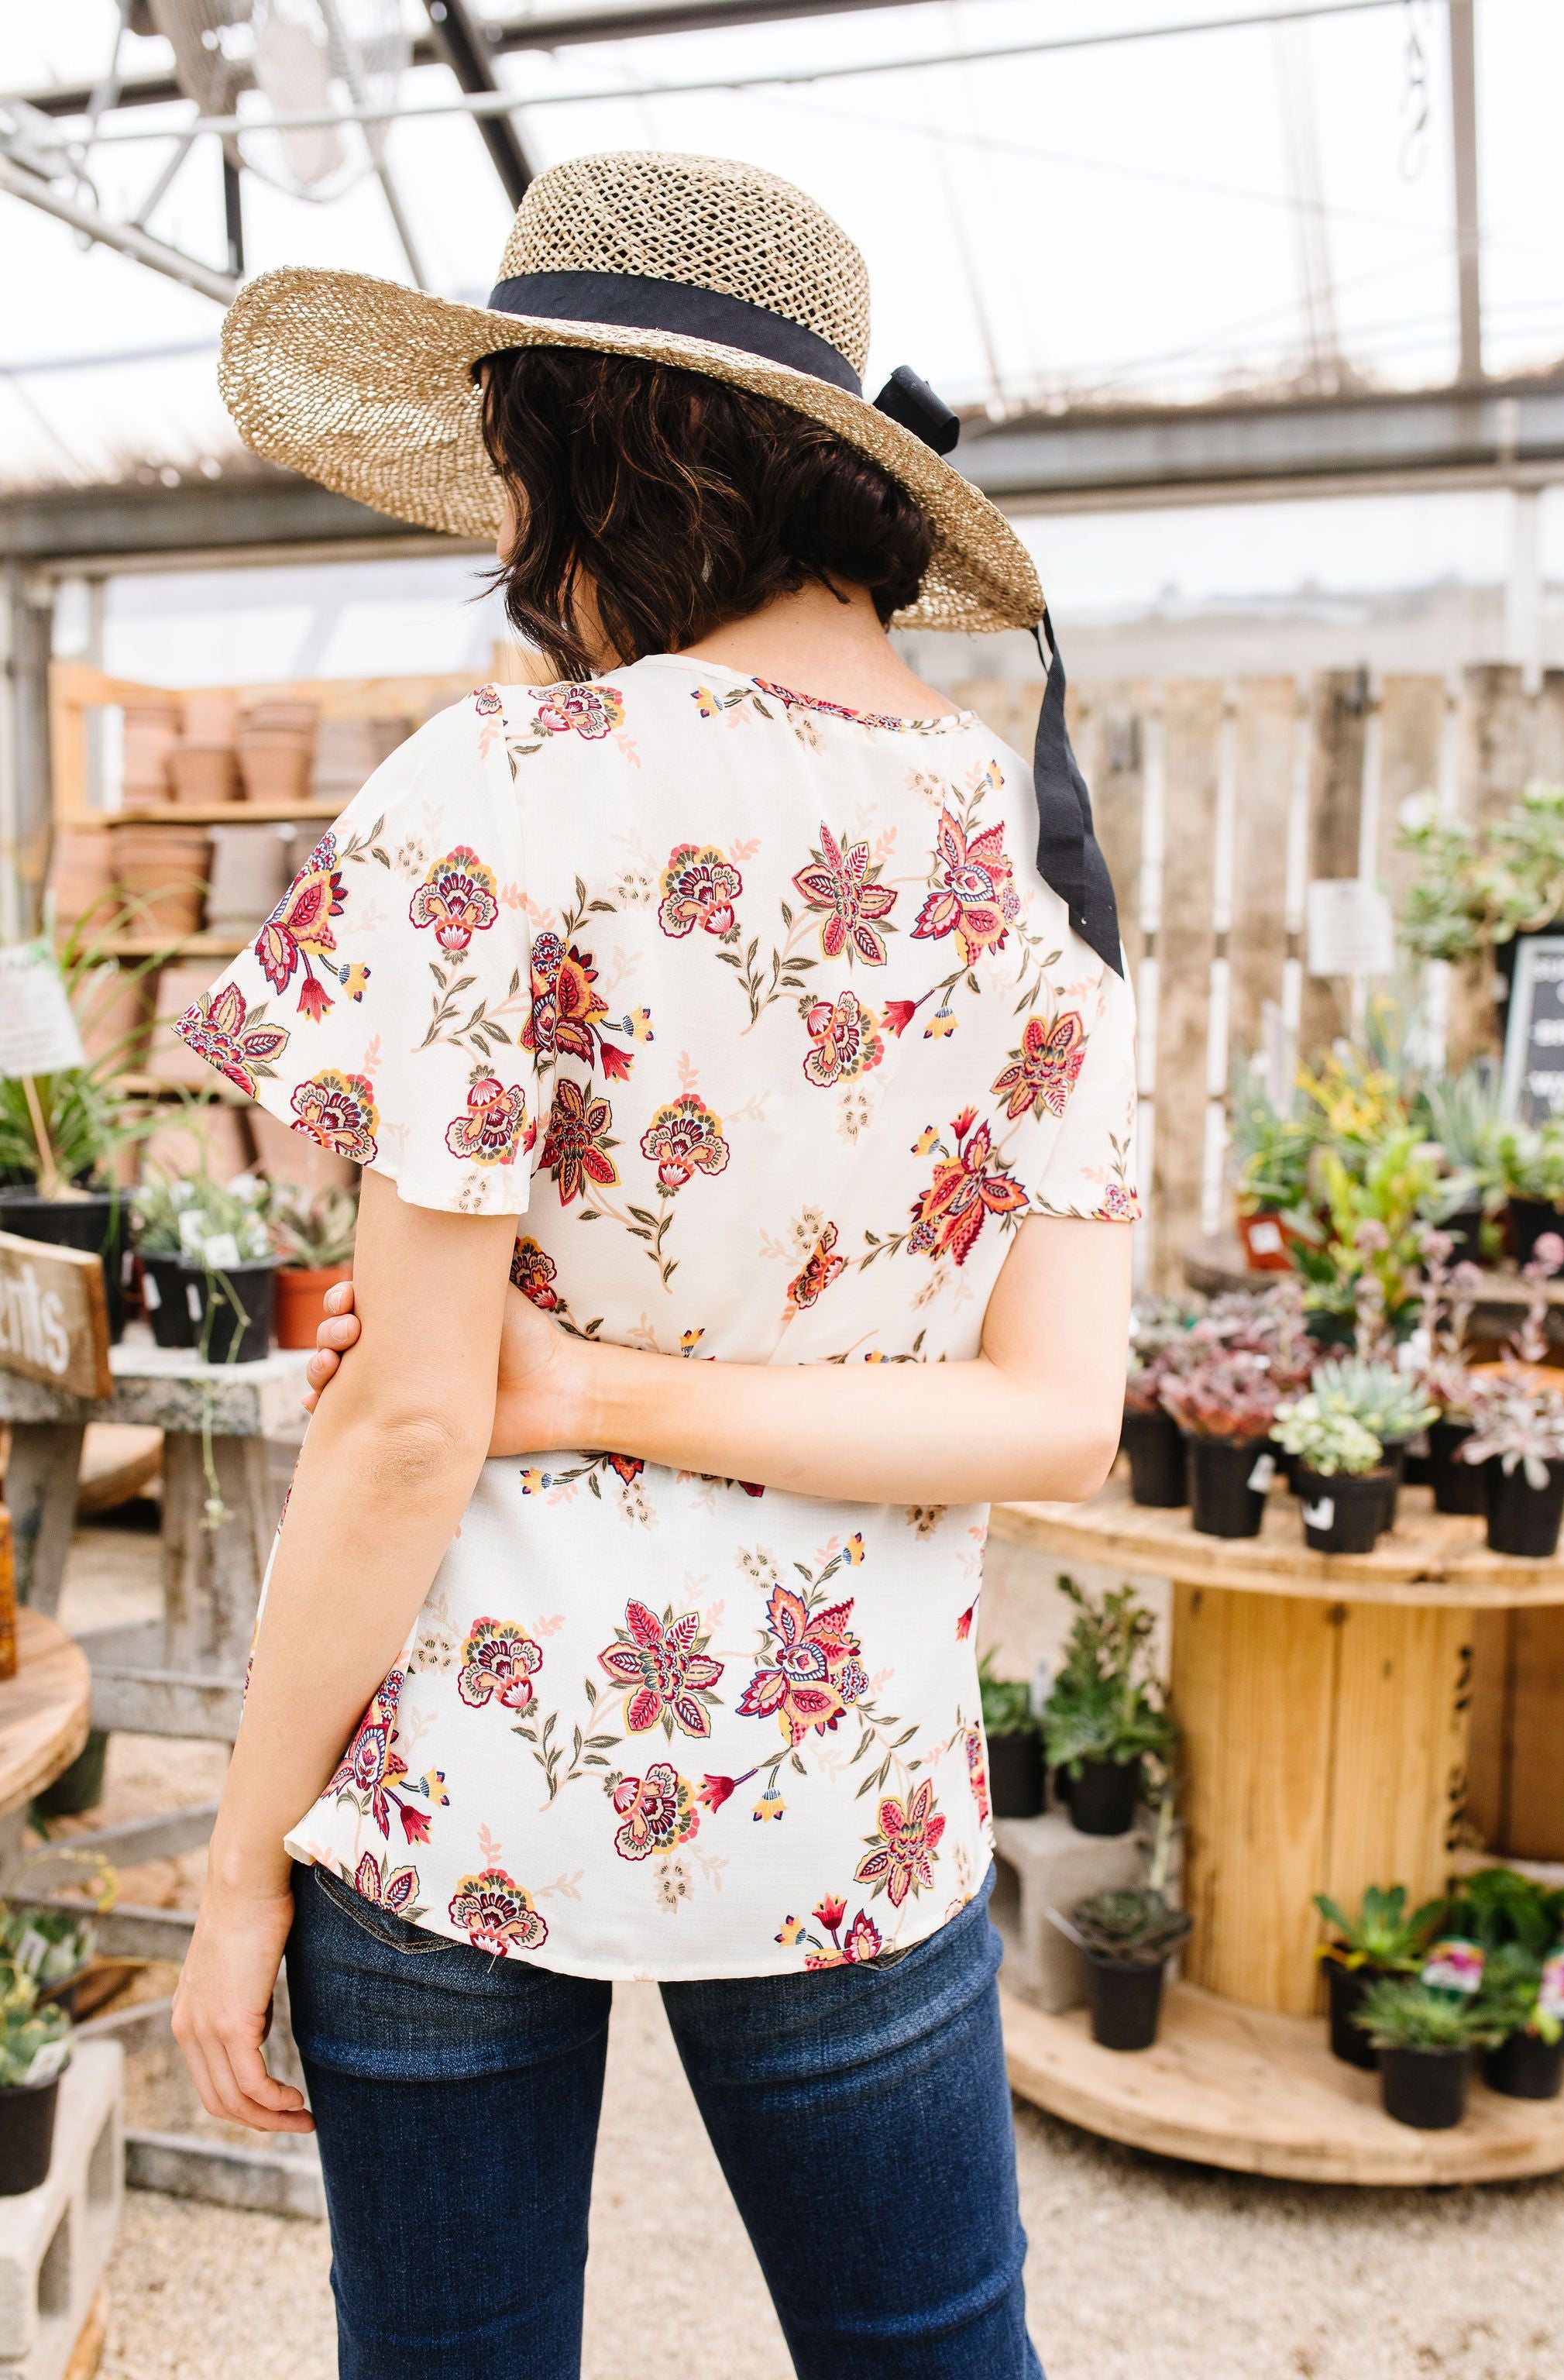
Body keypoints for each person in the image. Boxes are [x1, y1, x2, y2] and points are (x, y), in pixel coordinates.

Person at [170, 151, 1137, 2379]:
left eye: (520, 475)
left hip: (455, 1792)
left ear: (628, 454)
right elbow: (1055, 1417)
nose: (512, 552)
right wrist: (607, 1390)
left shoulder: (505, 789)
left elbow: (416, 1421)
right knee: (928, 2353)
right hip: (842, 1796)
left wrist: (237, 1864)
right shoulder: (1030, 855)